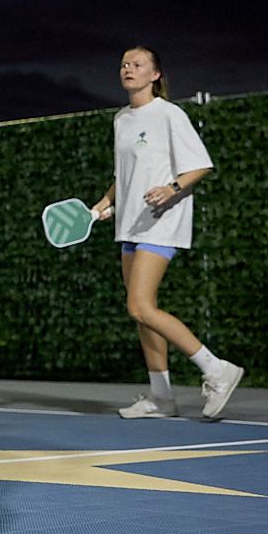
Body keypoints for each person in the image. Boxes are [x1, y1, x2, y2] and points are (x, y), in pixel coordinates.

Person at [90, 46, 243, 421]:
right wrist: (103, 204)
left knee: (139, 306)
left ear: (155, 74)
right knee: (143, 314)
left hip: (162, 220)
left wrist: (171, 188)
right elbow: (124, 176)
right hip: (130, 224)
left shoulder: (170, 114)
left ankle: (216, 369)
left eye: (137, 64)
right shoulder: (121, 119)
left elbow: (200, 165)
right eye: (124, 64)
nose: (128, 69)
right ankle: (162, 397)